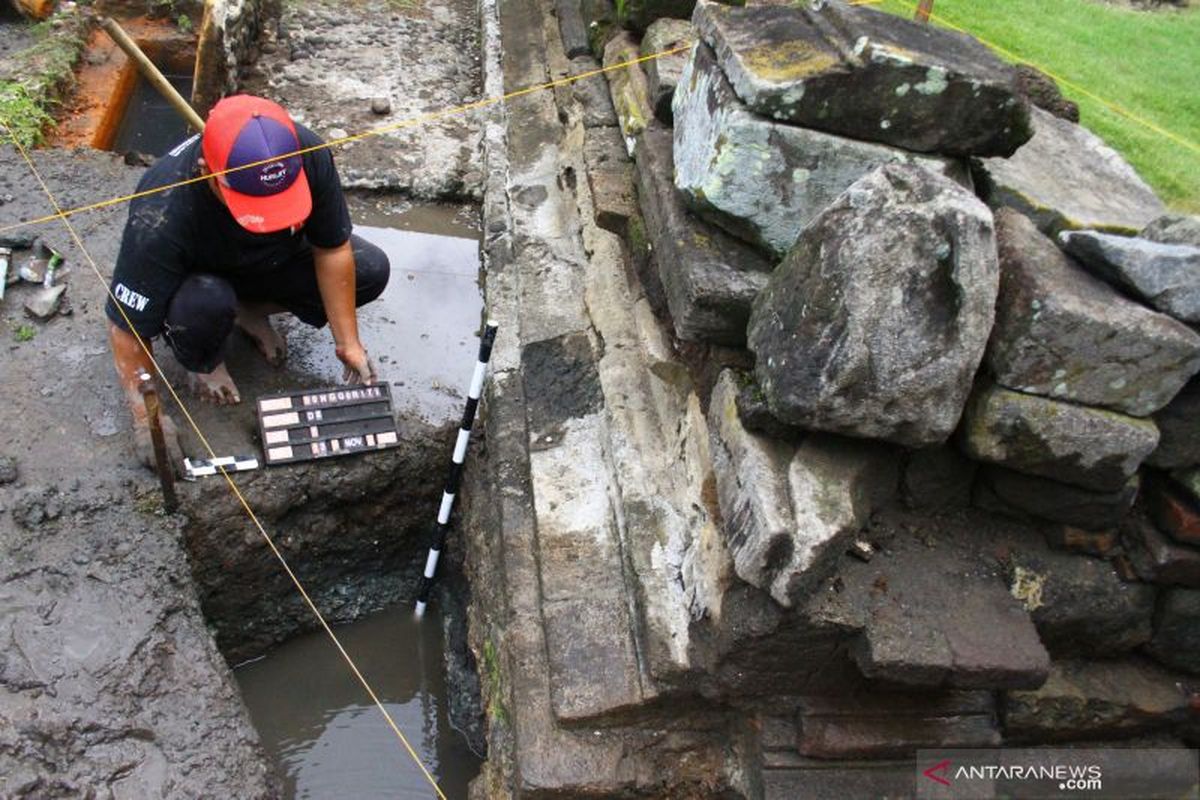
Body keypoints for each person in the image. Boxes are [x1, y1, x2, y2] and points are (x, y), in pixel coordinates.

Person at [105, 94, 389, 468]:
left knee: (369, 269)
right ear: (210, 174)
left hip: (266, 261)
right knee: (204, 306)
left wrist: (348, 342)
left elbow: (332, 250)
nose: (269, 215)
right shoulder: (161, 209)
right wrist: (147, 417)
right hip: (199, 284)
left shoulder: (307, 153)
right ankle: (202, 361)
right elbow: (126, 327)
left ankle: (248, 310)